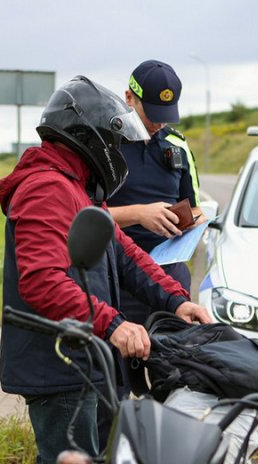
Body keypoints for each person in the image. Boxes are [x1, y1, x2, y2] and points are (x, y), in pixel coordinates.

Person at [0, 75, 211, 464]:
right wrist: (112, 324)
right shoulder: (47, 188)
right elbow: (41, 280)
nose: (117, 153)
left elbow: (126, 254)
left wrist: (176, 300)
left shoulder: (72, 186)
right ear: (87, 137)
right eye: (112, 142)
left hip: (73, 357)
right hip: (56, 362)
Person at [106, 59, 206, 324]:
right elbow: (80, 213)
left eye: (166, 114)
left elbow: (196, 209)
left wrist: (188, 221)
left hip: (170, 278)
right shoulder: (105, 147)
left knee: (173, 363)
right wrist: (139, 214)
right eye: (152, 113)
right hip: (118, 277)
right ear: (129, 98)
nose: (159, 122)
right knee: (121, 363)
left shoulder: (178, 147)